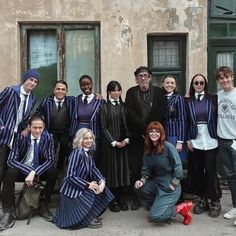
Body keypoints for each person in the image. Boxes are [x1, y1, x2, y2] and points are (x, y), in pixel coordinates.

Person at [0, 114, 58, 231]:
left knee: (53, 171)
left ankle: (43, 204)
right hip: (23, 169)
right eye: (34, 127)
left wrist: (35, 172)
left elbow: (51, 160)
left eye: (40, 128)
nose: (37, 130)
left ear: (44, 127)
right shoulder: (20, 137)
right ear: (29, 127)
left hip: (38, 170)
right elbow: (11, 160)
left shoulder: (49, 137)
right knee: (10, 172)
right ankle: (9, 210)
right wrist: (30, 171)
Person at [54, 128, 114, 229]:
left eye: (91, 138)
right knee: (92, 191)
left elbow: (94, 169)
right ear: (80, 139)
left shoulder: (88, 152)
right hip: (72, 190)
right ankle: (87, 219)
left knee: (102, 190)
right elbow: (70, 176)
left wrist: (102, 181)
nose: (89, 140)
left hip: (80, 186)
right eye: (86, 138)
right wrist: (88, 185)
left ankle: (89, 215)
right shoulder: (77, 153)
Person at [134, 121, 192, 225]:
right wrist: (142, 181)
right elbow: (146, 170)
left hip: (170, 187)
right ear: (148, 134)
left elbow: (178, 166)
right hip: (157, 183)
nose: (154, 133)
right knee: (139, 188)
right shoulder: (148, 149)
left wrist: (174, 184)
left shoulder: (168, 146)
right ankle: (157, 210)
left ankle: (181, 208)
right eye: (151, 131)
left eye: (157, 131)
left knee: (155, 217)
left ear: (161, 133)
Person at [125, 66, 166, 210]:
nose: (143, 78)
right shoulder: (130, 93)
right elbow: (130, 113)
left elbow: (160, 111)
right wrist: (144, 130)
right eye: (140, 75)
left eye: (145, 75)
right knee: (137, 168)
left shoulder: (159, 93)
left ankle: (154, 196)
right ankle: (138, 197)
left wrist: (150, 131)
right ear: (136, 78)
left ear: (150, 77)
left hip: (154, 137)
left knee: (154, 166)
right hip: (137, 136)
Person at [185, 74, 222, 218]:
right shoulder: (187, 101)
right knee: (197, 170)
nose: (199, 85)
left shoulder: (213, 98)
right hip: (195, 138)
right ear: (192, 84)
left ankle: (214, 199)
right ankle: (202, 199)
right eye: (196, 82)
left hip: (211, 137)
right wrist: (187, 139)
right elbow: (186, 121)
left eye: (201, 82)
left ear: (205, 84)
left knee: (211, 169)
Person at [0, 68, 40, 187]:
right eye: (31, 79)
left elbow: (25, 118)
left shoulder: (32, 99)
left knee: (8, 169)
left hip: (15, 138)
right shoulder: (11, 91)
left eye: (35, 82)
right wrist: (1, 126)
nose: (32, 83)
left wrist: (26, 129)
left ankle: (5, 198)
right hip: (3, 135)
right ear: (24, 79)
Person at [100, 81, 130, 212]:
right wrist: (113, 142)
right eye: (113, 90)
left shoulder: (124, 106)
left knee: (122, 172)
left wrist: (127, 139)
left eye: (118, 90)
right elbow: (103, 127)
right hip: (110, 145)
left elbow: (129, 125)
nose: (116, 93)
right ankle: (112, 200)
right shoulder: (104, 108)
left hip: (123, 143)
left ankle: (121, 198)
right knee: (112, 172)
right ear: (108, 92)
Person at [36, 80, 75, 170]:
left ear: (66, 91)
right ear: (54, 90)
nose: (60, 91)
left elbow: (83, 98)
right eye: (58, 89)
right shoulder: (47, 101)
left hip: (65, 131)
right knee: (51, 148)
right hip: (51, 131)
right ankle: (48, 168)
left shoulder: (71, 100)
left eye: (63, 89)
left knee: (65, 146)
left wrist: (96, 95)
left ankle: (60, 166)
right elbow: (38, 113)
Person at [215, 66, 236, 226]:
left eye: (227, 77)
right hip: (222, 141)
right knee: (231, 176)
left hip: (235, 141)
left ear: (232, 77)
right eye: (221, 78)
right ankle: (235, 206)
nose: (225, 80)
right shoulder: (218, 96)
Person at [73, 75, 104, 163]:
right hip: (78, 133)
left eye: (88, 84)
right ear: (80, 86)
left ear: (92, 84)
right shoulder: (75, 100)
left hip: (94, 133)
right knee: (79, 158)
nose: (86, 87)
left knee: (93, 158)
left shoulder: (100, 101)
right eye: (83, 85)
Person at [162, 75, 187, 161]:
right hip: (163, 134)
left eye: (172, 83)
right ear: (163, 84)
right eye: (167, 83)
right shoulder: (161, 97)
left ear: (175, 85)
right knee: (165, 161)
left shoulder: (178, 98)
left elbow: (182, 120)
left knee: (176, 160)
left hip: (175, 135)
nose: (170, 85)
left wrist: (180, 141)